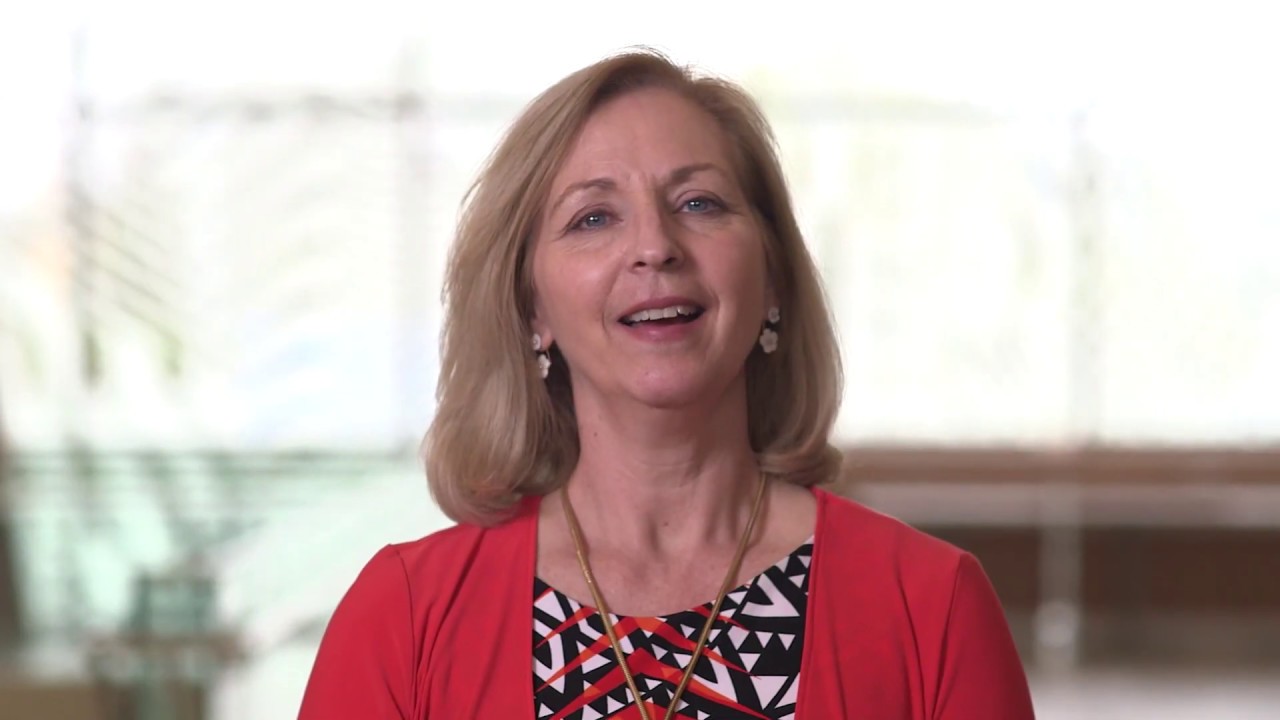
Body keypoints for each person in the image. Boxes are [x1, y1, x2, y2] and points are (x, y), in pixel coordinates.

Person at [298, 49, 1035, 720]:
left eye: (699, 204)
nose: (654, 247)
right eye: (593, 217)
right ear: (531, 309)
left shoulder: (932, 607)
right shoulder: (405, 617)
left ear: (772, 276)